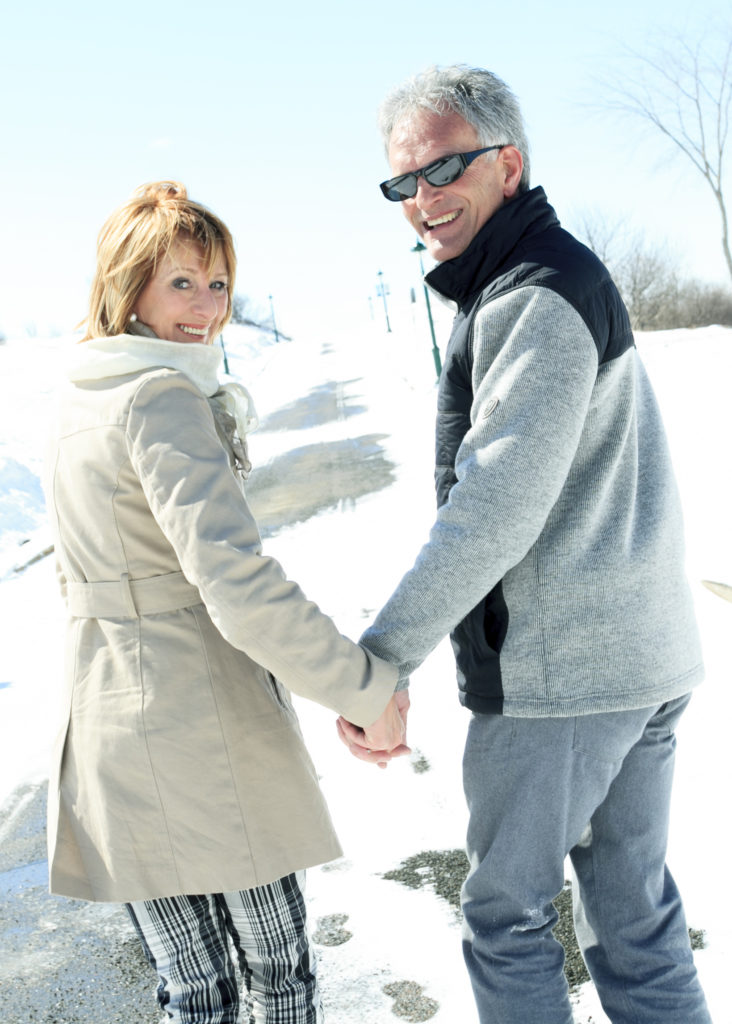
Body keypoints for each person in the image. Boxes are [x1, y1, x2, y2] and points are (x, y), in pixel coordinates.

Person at [338, 66, 712, 1024]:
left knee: (505, 915)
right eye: (404, 184)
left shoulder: (533, 296)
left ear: (509, 163)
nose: (424, 200)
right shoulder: (546, 276)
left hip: (565, 678)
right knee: (635, 919)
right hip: (637, 656)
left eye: (444, 168)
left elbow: (493, 507)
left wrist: (380, 660)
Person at [43, 180, 406, 1024]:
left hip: (111, 731)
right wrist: (365, 688)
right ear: (126, 284)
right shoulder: (161, 396)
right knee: (276, 977)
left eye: (218, 285)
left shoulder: (77, 397)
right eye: (182, 282)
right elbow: (236, 584)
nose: (207, 307)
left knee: (192, 991)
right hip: (201, 730)